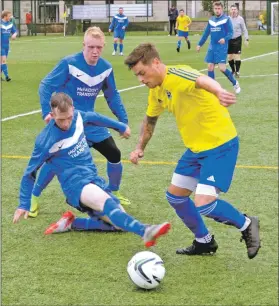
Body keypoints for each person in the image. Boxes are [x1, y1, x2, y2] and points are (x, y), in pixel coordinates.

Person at [124, 43, 261, 259]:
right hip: (196, 150)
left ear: (156, 63)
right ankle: (204, 241)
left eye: (142, 73)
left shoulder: (177, 74)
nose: (141, 80)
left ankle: (247, 224)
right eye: (137, 76)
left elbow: (201, 80)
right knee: (176, 197)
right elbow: (150, 120)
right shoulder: (156, 91)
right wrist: (139, 148)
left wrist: (219, 91)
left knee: (204, 203)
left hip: (220, 145)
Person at [13, 92, 171, 247]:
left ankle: (73, 223)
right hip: (74, 184)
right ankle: (146, 230)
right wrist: (24, 203)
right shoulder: (45, 140)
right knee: (106, 203)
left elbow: (96, 118)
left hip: (92, 177)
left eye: (69, 117)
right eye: (61, 120)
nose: (66, 123)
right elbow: (30, 173)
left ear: (73, 110)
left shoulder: (79, 116)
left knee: (120, 223)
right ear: (52, 115)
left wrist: (120, 126)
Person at [29, 26, 131, 218]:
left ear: (104, 46)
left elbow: (112, 96)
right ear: (83, 45)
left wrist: (123, 121)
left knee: (114, 153)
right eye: (91, 47)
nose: (95, 51)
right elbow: (45, 86)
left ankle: (114, 190)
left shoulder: (106, 68)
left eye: (99, 47)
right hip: (68, 123)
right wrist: (47, 113)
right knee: (54, 162)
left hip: (89, 121)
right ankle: (33, 197)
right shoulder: (69, 63)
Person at [196, 1, 241, 94]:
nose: (217, 10)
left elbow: (230, 33)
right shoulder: (211, 20)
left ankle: (235, 83)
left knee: (222, 68)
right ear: (213, 9)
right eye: (216, 9)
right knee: (210, 67)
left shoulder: (226, 19)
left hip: (222, 47)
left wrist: (225, 39)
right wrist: (199, 44)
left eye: (219, 9)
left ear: (222, 9)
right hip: (212, 47)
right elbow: (206, 34)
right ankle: (212, 89)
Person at [228, 5, 249, 78]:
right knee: (230, 57)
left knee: (237, 56)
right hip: (229, 39)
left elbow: (244, 29)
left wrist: (246, 39)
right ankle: (233, 70)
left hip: (237, 39)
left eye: (235, 9)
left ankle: (237, 71)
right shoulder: (227, 19)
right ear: (230, 11)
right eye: (232, 9)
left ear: (237, 11)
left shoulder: (240, 19)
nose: (233, 11)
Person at [1, 10, 17, 82]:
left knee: (2, 62)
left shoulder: (10, 24)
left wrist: (14, 35)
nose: (10, 17)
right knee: (3, 60)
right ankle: (7, 76)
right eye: (9, 16)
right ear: (5, 16)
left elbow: (15, 31)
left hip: (6, 46)